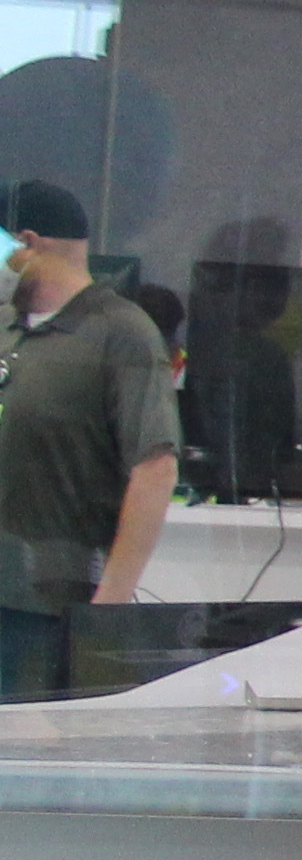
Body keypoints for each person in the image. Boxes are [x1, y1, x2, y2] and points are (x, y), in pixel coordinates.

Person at [0, 178, 178, 699]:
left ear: (28, 245)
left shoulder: (121, 334)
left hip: (44, 610)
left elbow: (154, 468)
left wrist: (109, 607)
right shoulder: (10, 329)